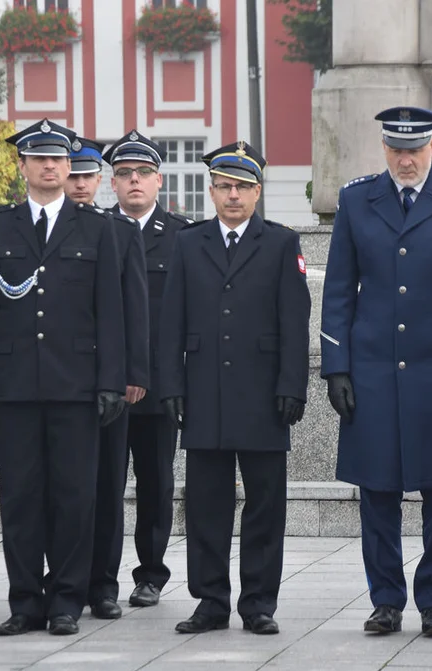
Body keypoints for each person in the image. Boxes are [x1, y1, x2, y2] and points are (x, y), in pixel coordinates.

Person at [320, 107, 432, 638]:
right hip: (373, 369)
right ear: (384, 150)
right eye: (396, 149)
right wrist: (336, 367)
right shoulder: (357, 199)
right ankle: (386, 601)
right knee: (376, 491)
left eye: (414, 149)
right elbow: (338, 292)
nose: (405, 159)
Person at [0, 119, 127, 637]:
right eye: (39, 158)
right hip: (15, 386)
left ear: (68, 166)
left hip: (75, 385)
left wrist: (110, 381)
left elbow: (111, 311)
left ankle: (65, 599)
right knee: (19, 498)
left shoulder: (97, 228)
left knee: (73, 497)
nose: (49, 166)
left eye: (58, 158)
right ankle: (24, 602)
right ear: (23, 166)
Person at [160, 141, 311, 636]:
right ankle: (210, 601)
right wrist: (171, 383)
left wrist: (293, 384)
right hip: (203, 391)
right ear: (211, 190)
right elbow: (171, 321)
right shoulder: (189, 242)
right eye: (224, 186)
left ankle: (258, 603)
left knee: (266, 504)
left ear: (258, 192)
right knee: (205, 503)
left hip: (264, 393)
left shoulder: (282, 242)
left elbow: (295, 320)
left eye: (243, 187)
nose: (232, 196)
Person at [62, 137, 152, 620]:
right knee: (65, 489)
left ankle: (103, 585)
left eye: (85, 175)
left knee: (106, 487)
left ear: (100, 180)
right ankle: (63, 582)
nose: (78, 183)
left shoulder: (118, 231)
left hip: (109, 380)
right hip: (60, 381)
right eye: (71, 174)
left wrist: (134, 372)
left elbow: (135, 308)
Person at [104, 130, 192, 609]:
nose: (134, 181)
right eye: (124, 174)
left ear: (159, 181)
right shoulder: (96, 230)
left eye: (142, 174)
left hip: (159, 386)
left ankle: (151, 573)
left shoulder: (182, 236)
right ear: (111, 184)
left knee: (156, 483)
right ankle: (101, 575)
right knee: (103, 484)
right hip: (105, 386)